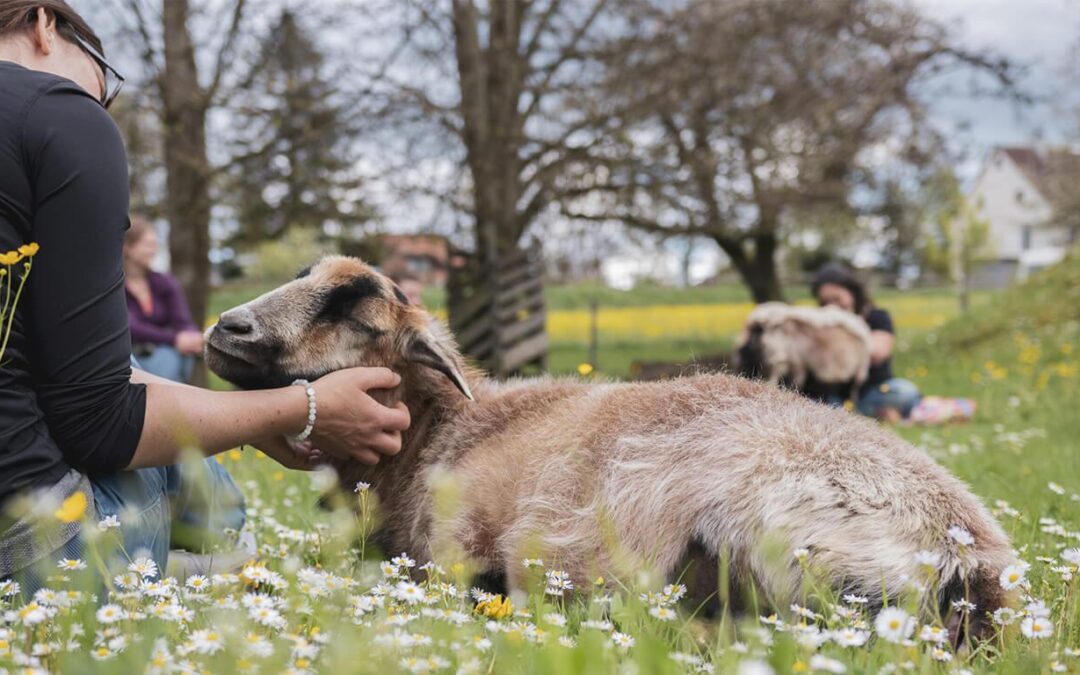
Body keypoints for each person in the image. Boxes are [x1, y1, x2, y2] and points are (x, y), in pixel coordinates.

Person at [0, 1, 410, 591]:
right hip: (29, 562)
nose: (99, 102)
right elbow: (100, 422)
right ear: (44, 25)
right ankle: (201, 569)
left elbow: (64, 382)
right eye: (102, 77)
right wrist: (306, 408)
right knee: (198, 480)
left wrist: (251, 418)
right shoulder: (58, 118)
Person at [811, 265, 921, 422]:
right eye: (825, 302)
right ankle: (870, 414)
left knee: (906, 391)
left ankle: (860, 414)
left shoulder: (876, 317)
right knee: (813, 402)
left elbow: (879, 353)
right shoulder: (819, 325)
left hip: (873, 390)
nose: (832, 306)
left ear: (852, 292)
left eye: (837, 299)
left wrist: (850, 329)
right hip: (835, 395)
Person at [124, 216, 203, 383]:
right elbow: (130, 327)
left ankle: (170, 402)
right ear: (128, 248)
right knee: (167, 356)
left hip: (168, 355)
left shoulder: (164, 282)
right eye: (147, 245)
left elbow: (181, 320)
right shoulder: (114, 288)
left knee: (173, 356)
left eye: (155, 244)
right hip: (131, 359)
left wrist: (190, 335)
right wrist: (174, 339)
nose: (154, 250)